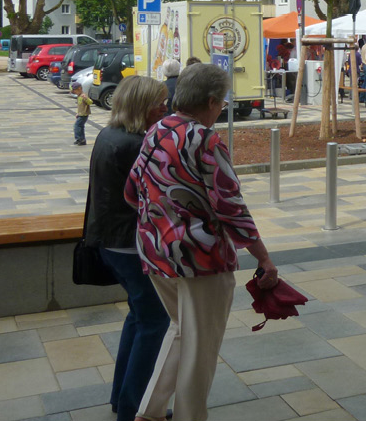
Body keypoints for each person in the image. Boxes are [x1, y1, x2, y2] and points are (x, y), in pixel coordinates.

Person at [125, 63, 278, 421]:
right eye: (221, 102)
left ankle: (147, 413)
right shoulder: (206, 140)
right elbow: (231, 207)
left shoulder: (157, 128)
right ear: (210, 101)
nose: (222, 108)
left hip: (155, 251)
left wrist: (163, 218)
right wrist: (264, 259)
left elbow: (132, 191)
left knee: (181, 332)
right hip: (200, 259)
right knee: (201, 347)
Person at [85, 76, 170, 421]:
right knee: (154, 321)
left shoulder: (109, 134)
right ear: (142, 107)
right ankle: (136, 409)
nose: (166, 108)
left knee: (139, 317)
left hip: (111, 241)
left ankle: (123, 400)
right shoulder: (137, 145)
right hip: (130, 246)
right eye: (160, 103)